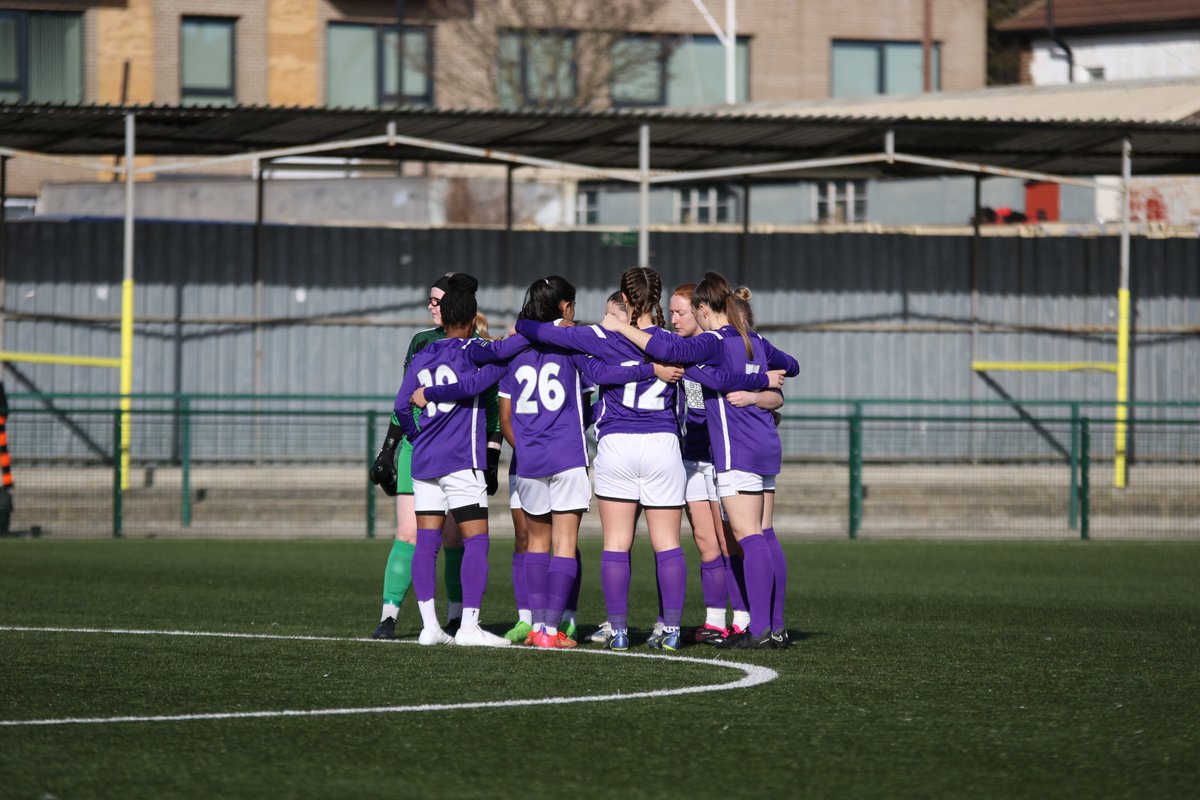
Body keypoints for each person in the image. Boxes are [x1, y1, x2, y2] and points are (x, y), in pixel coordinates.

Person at [600, 271, 798, 649]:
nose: (675, 319)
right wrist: (758, 381)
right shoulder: (747, 342)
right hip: (729, 451)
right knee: (741, 538)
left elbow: (685, 359)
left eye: (683, 312)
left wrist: (622, 329)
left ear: (703, 310)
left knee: (745, 539)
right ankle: (763, 625)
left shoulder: (713, 343)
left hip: (730, 450)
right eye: (671, 312)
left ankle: (755, 627)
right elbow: (786, 369)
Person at [469, 277, 662, 648]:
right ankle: (552, 630)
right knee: (564, 544)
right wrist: (647, 370)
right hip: (567, 455)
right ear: (563, 307)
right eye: (570, 304)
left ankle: (539, 626)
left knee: (536, 544)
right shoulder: (573, 346)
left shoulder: (514, 351)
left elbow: (502, 404)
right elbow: (599, 382)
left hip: (528, 458)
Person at [516, 267, 694, 651]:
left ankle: (618, 631)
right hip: (662, 443)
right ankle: (674, 631)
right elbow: (680, 357)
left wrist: (526, 322)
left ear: (623, 300)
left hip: (617, 444)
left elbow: (538, 330)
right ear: (657, 299)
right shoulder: (670, 341)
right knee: (667, 543)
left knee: (616, 542)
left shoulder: (599, 334)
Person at [368, 272, 501, 640]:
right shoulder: (424, 343)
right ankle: (389, 615)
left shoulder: (473, 344)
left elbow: (488, 406)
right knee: (410, 533)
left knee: (452, 539)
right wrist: (391, 447)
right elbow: (405, 401)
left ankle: (454, 618)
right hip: (433, 446)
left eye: (437, 299)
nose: (431, 305)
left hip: (447, 443)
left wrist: (491, 451)